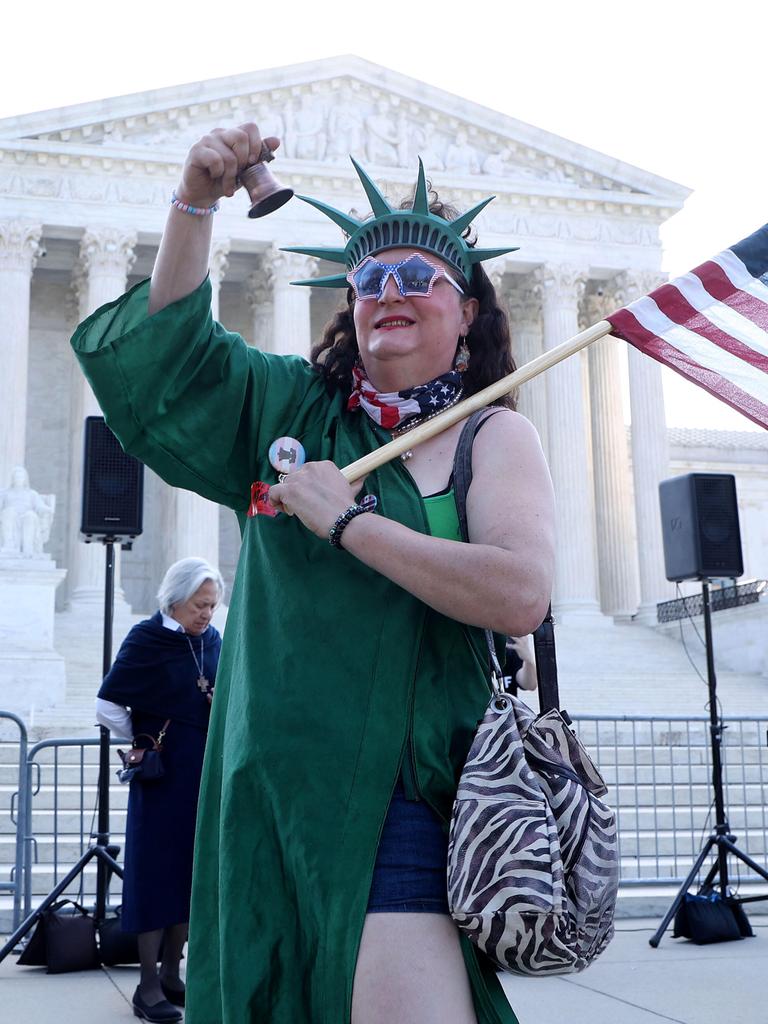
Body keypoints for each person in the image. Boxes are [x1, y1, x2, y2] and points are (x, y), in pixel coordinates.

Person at [72, 122, 555, 1024]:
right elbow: (167, 364)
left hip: (399, 793)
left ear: (468, 311)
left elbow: (519, 593)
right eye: (370, 281)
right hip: (269, 796)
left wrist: (348, 522)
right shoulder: (288, 411)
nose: (389, 293)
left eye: (418, 277)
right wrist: (194, 204)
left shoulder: (493, 435)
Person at [96, 557, 224, 1023]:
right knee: (153, 876)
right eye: (199, 604)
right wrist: (142, 738)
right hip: (161, 778)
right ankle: (147, 984)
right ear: (175, 599)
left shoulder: (212, 640)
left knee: (190, 873)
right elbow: (107, 703)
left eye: (212, 605)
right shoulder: (147, 638)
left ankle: (173, 973)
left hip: (202, 775)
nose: (207, 613)